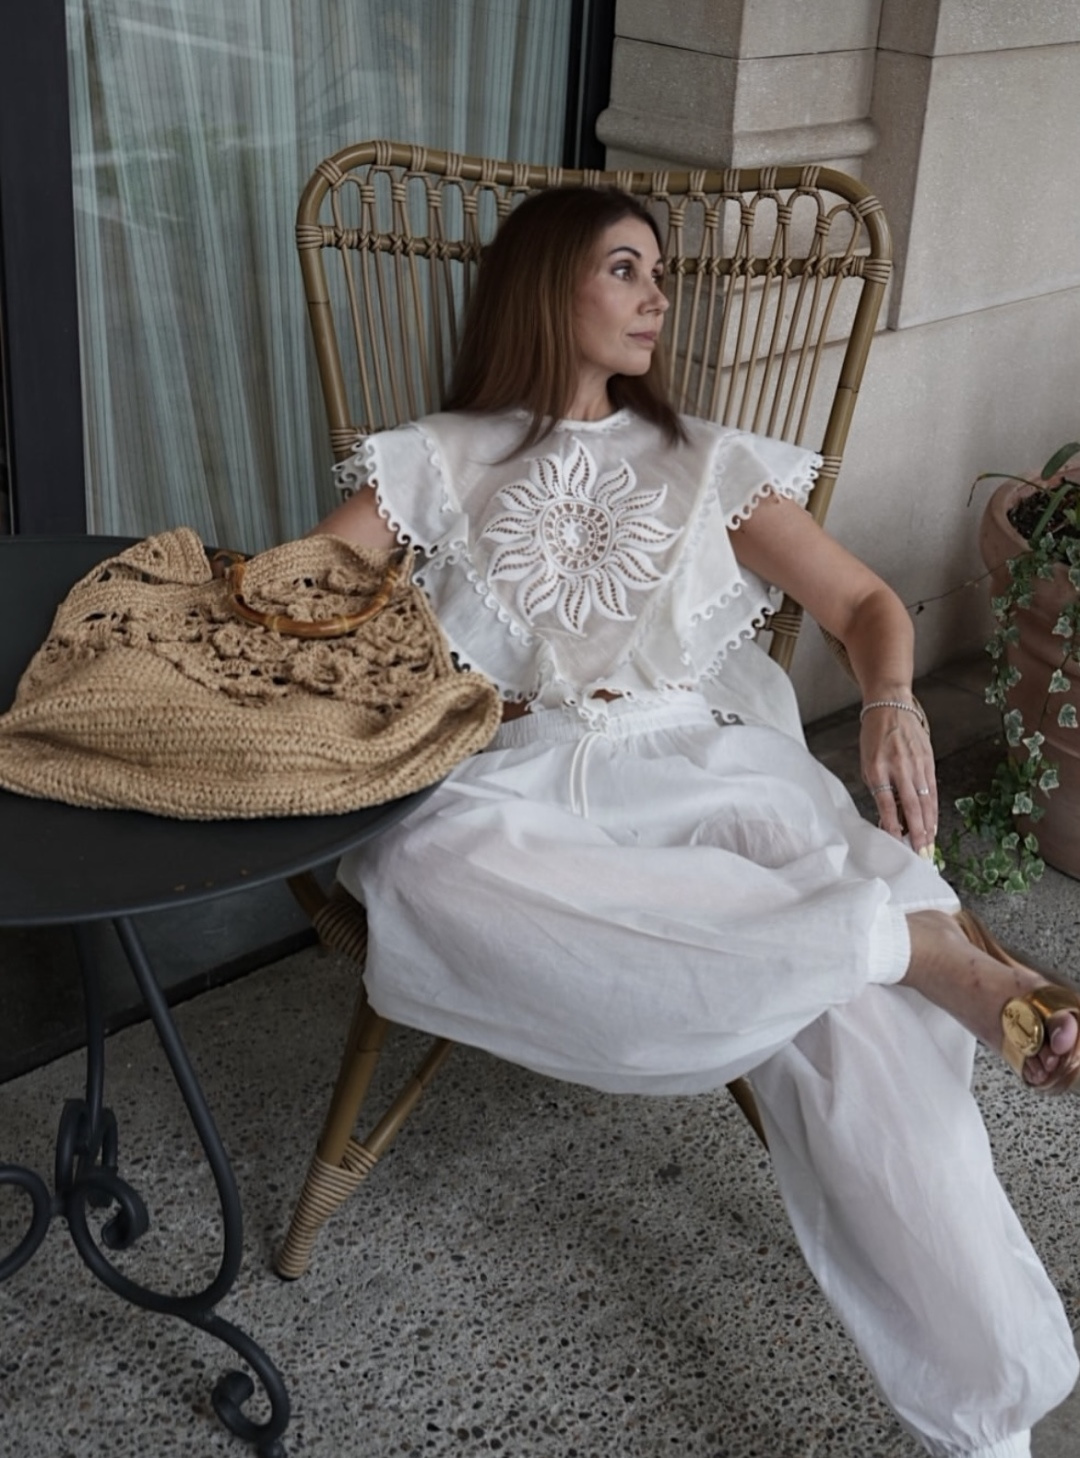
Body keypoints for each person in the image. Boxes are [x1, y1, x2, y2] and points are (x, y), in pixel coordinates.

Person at [312, 186, 1080, 1457]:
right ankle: (893, 942)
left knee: (864, 1035)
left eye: (658, 271)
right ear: (545, 282)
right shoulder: (432, 460)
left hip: (697, 758)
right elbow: (297, 604)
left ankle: (991, 1416)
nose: (658, 295)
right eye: (625, 267)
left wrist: (893, 699)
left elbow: (865, 605)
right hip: (512, 777)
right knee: (425, 871)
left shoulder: (706, 459)